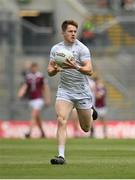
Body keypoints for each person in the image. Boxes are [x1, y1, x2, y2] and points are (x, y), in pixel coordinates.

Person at [47, 20, 96, 165]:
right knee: (61, 120)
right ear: (63, 33)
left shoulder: (82, 49)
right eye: (70, 31)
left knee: (86, 128)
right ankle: (61, 156)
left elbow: (90, 70)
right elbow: (49, 71)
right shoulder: (56, 49)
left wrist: (76, 66)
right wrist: (55, 70)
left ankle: (91, 112)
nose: (73, 33)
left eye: (75, 31)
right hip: (65, 91)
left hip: (82, 91)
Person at [18, 62, 51, 138]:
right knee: (37, 117)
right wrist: (21, 92)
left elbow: (45, 88)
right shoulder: (28, 77)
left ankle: (29, 132)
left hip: (39, 99)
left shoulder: (41, 76)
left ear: (37, 68)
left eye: (34, 67)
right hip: (31, 99)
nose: (33, 69)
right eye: (32, 67)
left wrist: (47, 99)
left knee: (33, 114)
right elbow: (25, 86)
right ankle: (42, 133)